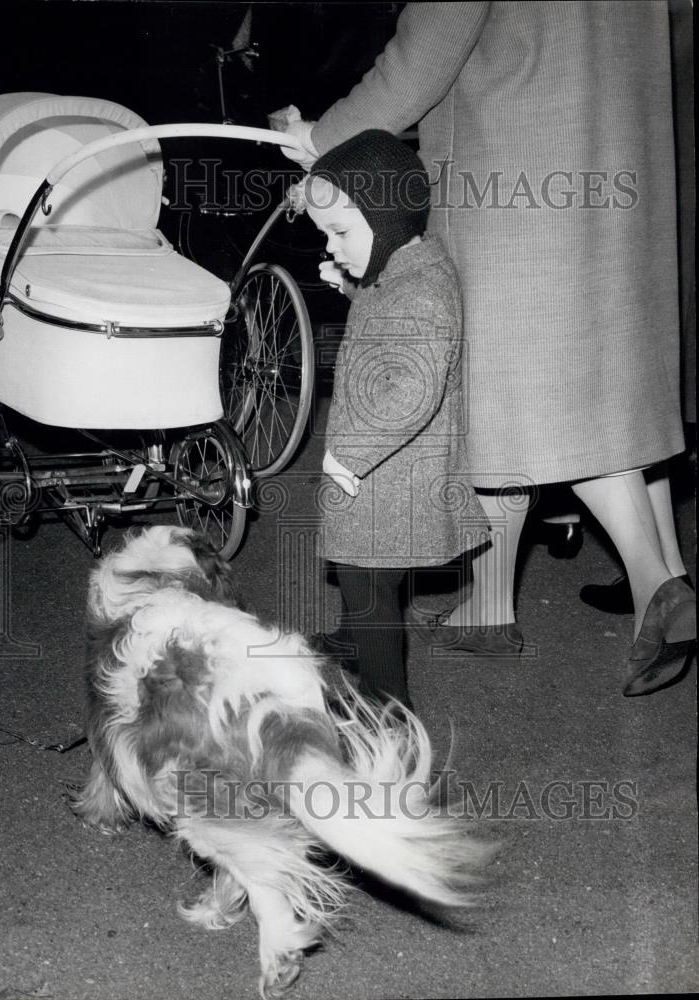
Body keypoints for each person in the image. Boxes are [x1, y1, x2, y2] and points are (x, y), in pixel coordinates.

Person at [276, 1, 695, 697]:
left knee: (519, 399)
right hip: (618, 163)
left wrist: (323, 134)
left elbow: (425, 53)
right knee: (592, 393)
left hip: (515, 172)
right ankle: (487, 609)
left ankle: (659, 586)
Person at [296, 128, 489, 707]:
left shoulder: (422, 289)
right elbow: (392, 331)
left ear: (385, 215)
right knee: (371, 580)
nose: (331, 246)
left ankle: (390, 720)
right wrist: (356, 292)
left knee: (367, 582)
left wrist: (350, 451)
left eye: (339, 231)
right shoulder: (406, 271)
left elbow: (411, 388)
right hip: (390, 479)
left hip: (389, 480)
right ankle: (355, 641)